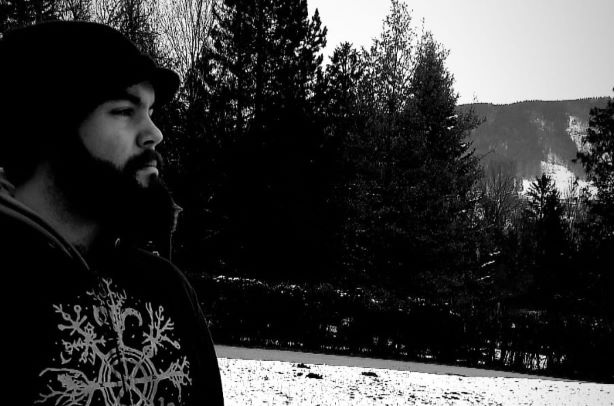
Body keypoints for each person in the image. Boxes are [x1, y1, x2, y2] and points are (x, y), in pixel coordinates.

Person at [0, 21, 224, 405]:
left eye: (150, 111)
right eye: (123, 110)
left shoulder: (166, 288)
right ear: (45, 129)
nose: (154, 133)